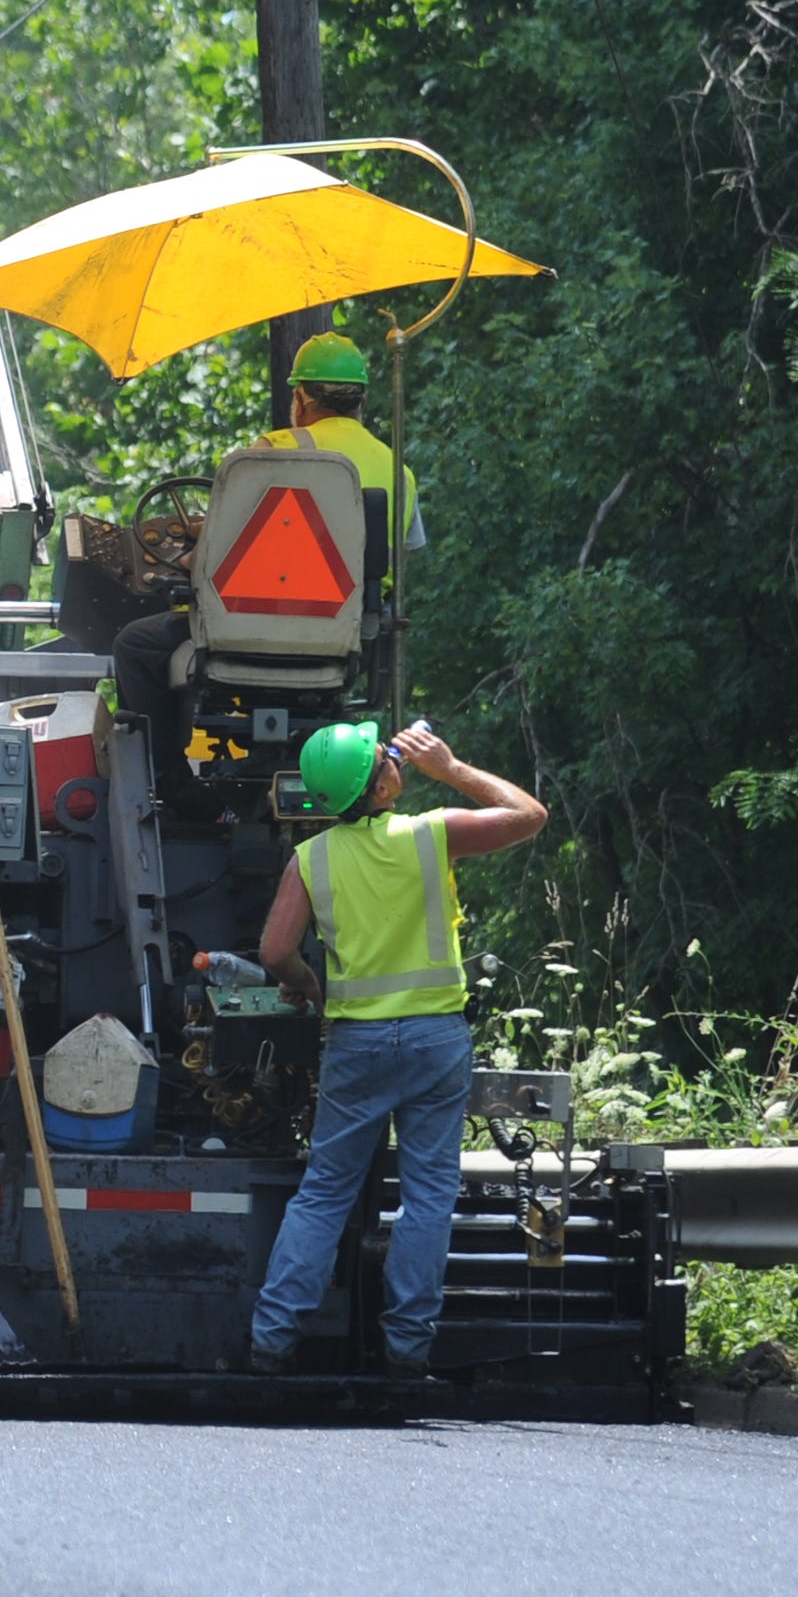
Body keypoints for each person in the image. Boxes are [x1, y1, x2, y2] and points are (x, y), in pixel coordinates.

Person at [246, 718, 547, 1378]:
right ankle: (407, 1350)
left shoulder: (312, 857)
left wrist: (308, 988)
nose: (396, 757)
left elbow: (274, 952)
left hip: (357, 1042)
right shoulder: (429, 833)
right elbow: (528, 814)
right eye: (387, 754)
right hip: (436, 1040)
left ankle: (272, 1339)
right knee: (428, 1194)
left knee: (325, 1191)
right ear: (383, 784)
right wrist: (449, 766)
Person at [110, 332, 426, 805]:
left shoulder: (272, 451)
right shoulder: (399, 472)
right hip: (340, 649)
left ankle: (170, 787)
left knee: (135, 644)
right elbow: (391, 562)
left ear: (300, 398)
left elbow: (220, 558)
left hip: (239, 640)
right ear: (362, 400)